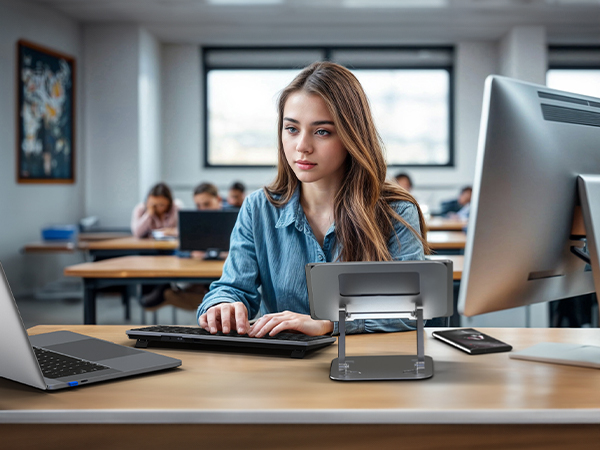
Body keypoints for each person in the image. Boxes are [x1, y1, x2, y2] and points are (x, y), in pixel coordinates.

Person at [197, 61, 432, 338]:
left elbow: (410, 310)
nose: (302, 147)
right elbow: (233, 287)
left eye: (322, 131)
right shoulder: (258, 208)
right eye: (292, 129)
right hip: (286, 368)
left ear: (352, 136)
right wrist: (223, 304)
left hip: (367, 365)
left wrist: (329, 323)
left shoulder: (395, 210)